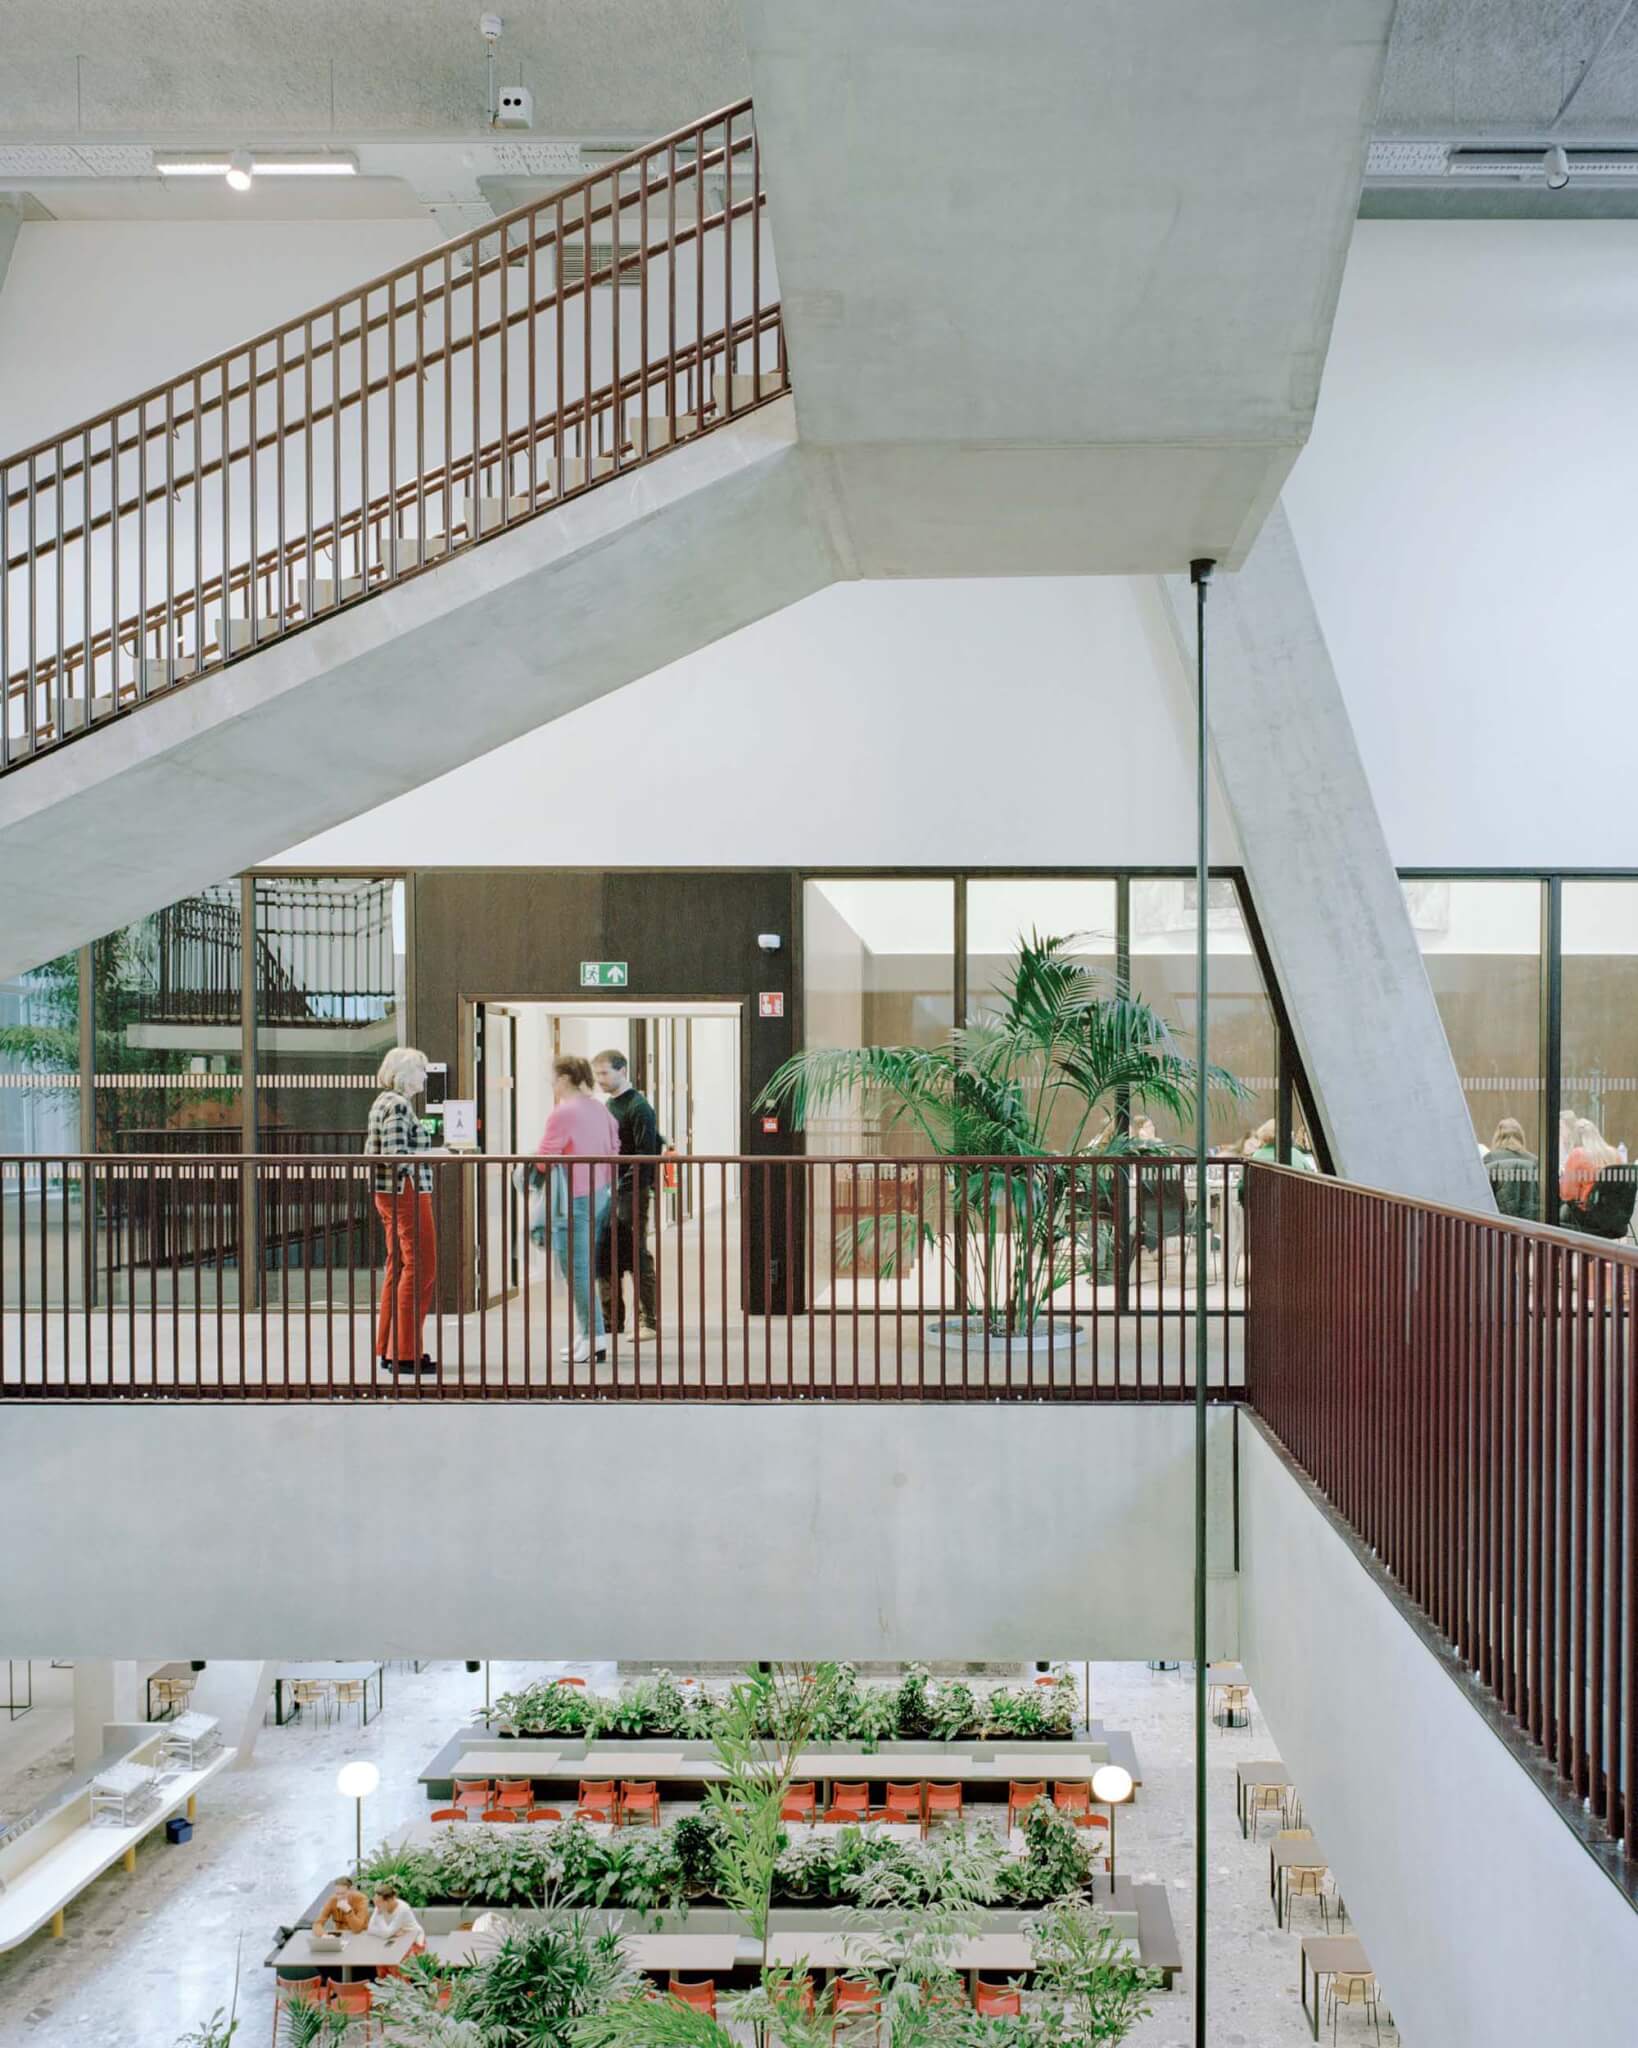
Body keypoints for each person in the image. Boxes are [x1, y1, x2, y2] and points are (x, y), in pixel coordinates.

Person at [537, 1055, 622, 1364]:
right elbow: (615, 1148)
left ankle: (594, 1337)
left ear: (564, 1079)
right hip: (600, 1194)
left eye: (553, 1078)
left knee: (576, 1270)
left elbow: (544, 1159)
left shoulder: (563, 1113)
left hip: (573, 1198)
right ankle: (587, 1332)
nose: (551, 1084)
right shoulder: (600, 1109)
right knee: (584, 1267)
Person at [365, 1047, 439, 1374]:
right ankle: (405, 1352)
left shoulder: (383, 1101)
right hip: (406, 1191)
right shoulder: (398, 1105)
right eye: (421, 1071)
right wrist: (437, 1154)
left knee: (398, 1266)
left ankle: (389, 1346)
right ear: (406, 1074)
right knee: (422, 1266)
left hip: (387, 1193)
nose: (425, 1076)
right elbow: (397, 1155)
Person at [593, 1048, 662, 1336]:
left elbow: (646, 1156)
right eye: (597, 1074)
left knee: (635, 1253)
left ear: (622, 1071)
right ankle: (611, 1321)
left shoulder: (639, 1107)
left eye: (605, 1073)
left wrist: (626, 1190)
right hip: (610, 1190)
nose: (600, 1080)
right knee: (605, 1252)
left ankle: (649, 1320)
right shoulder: (610, 1106)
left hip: (632, 1191)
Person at [1559, 1116, 1635, 1240]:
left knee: (1555, 1212)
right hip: (1616, 1220)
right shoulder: (1614, 1153)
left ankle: (1560, 1257)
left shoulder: (1577, 1154)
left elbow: (1567, 1195)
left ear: (1574, 1139)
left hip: (1589, 1219)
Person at [1483, 1117, 1538, 1221]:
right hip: (1531, 1224)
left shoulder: (1489, 1159)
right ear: (1521, 1137)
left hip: (1498, 1222)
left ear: (1497, 1137)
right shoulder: (1534, 1161)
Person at [367, 1880, 424, 1947]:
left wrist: (380, 1917)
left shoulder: (403, 1909)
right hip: (397, 1937)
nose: (376, 1905)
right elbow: (370, 1929)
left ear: (390, 1900)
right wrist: (392, 1934)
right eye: (375, 1902)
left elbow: (385, 1934)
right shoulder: (379, 1906)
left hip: (414, 1938)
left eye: (379, 1902)